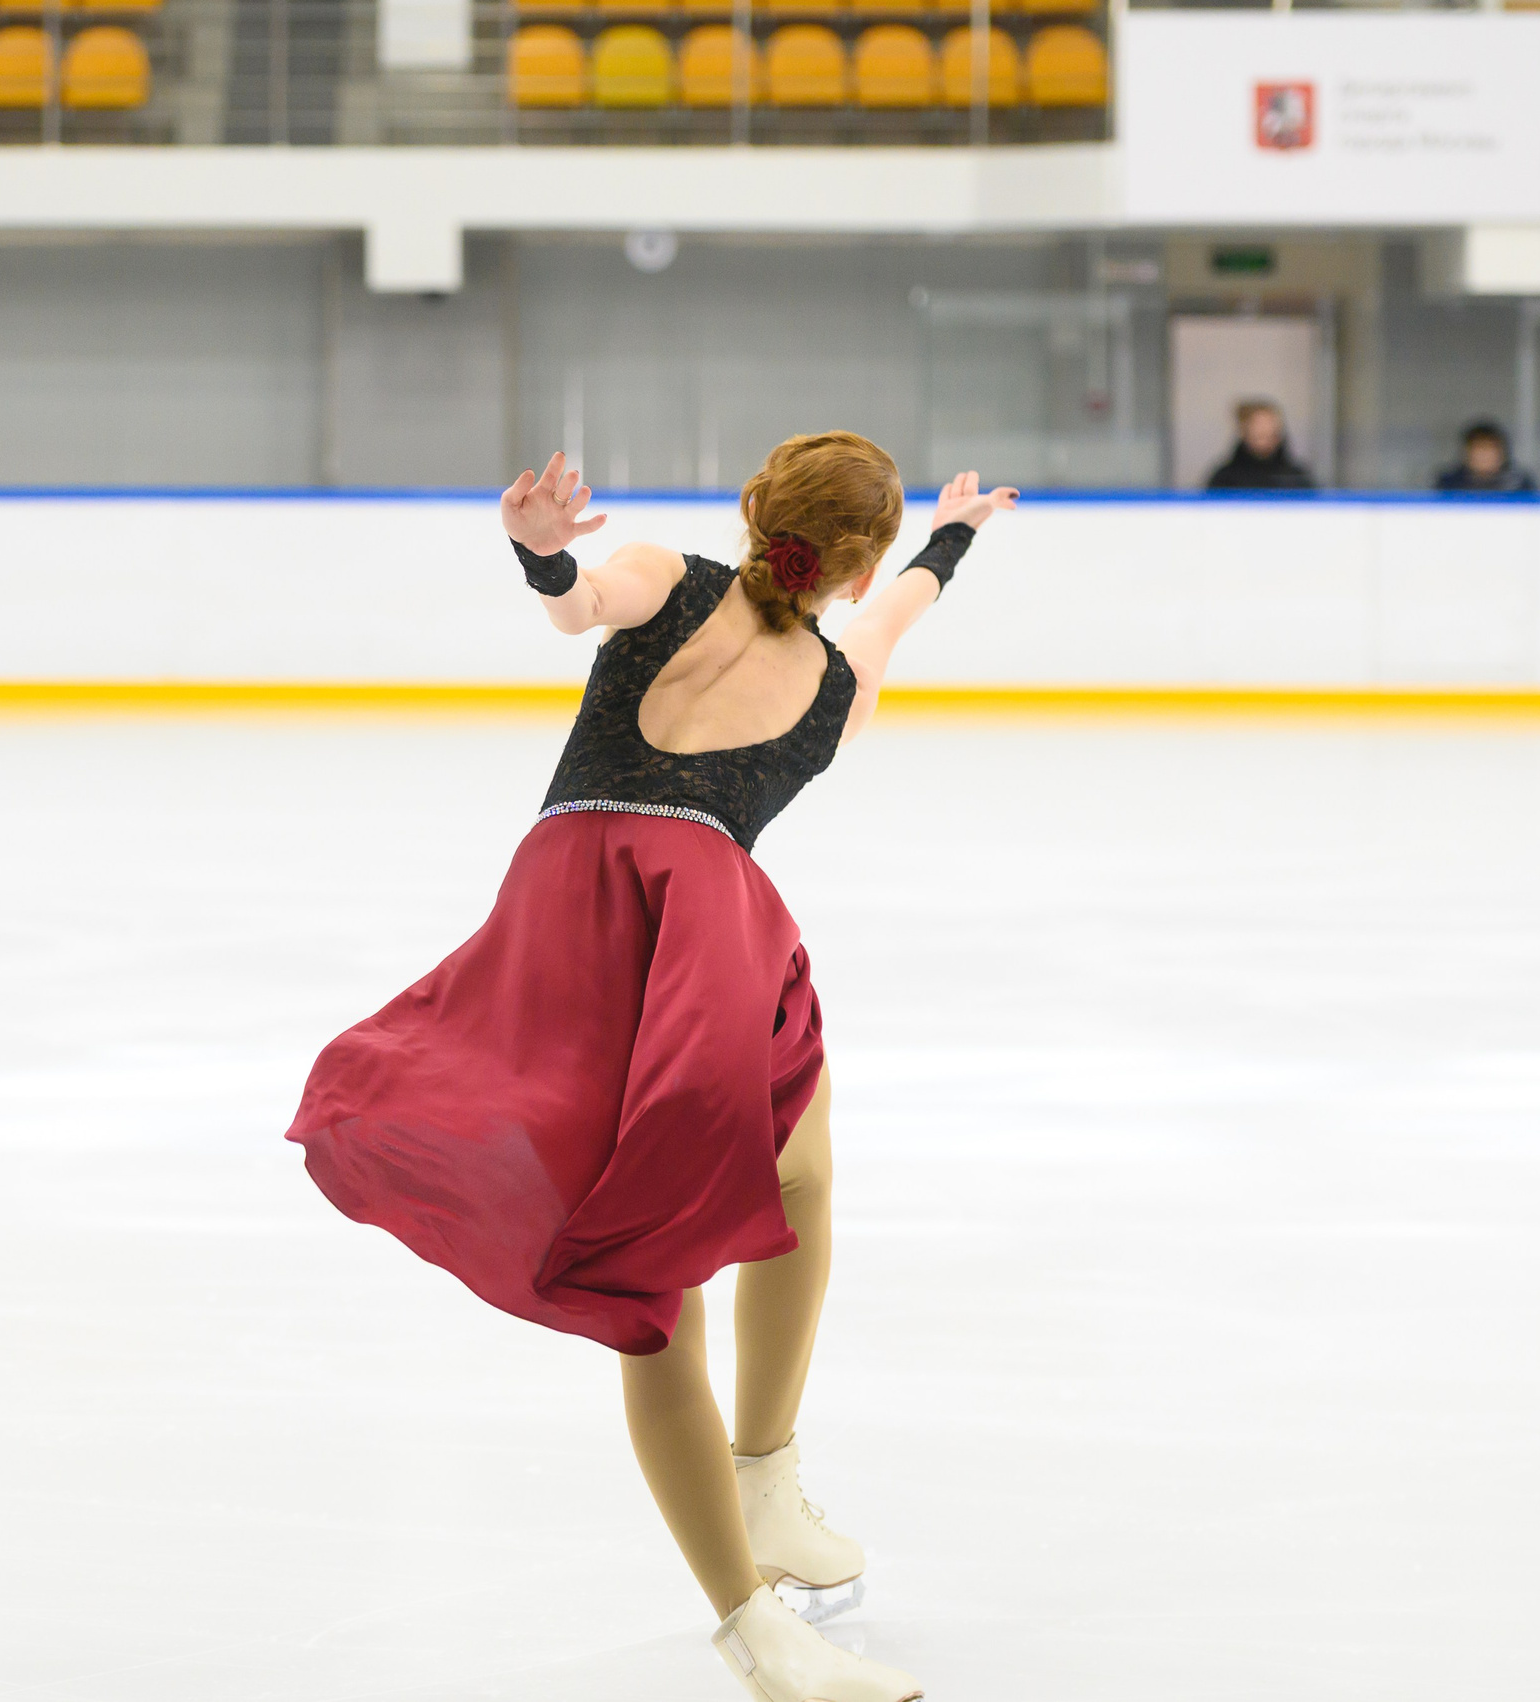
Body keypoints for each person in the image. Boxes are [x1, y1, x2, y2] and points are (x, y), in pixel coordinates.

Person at [286, 435, 1016, 1702]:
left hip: (564, 911)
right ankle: (757, 1612)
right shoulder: (842, 678)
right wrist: (948, 541)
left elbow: (575, 600)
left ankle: (764, 1495)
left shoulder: (664, 573)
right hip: (698, 937)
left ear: (751, 513)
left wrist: (537, 548)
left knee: (773, 1188)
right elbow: (901, 609)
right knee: (689, 1252)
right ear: (854, 569)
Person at [1204, 398, 1315, 491]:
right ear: (1244, 431)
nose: (1266, 435)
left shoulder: (1296, 478)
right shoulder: (1225, 479)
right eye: (1259, 433)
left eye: (1272, 432)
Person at [1434, 419, 1536, 493]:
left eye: (1490, 449)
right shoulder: (1448, 484)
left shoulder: (1519, 485)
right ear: (1467, 453)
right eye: (1479, 449)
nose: (1485, 456)